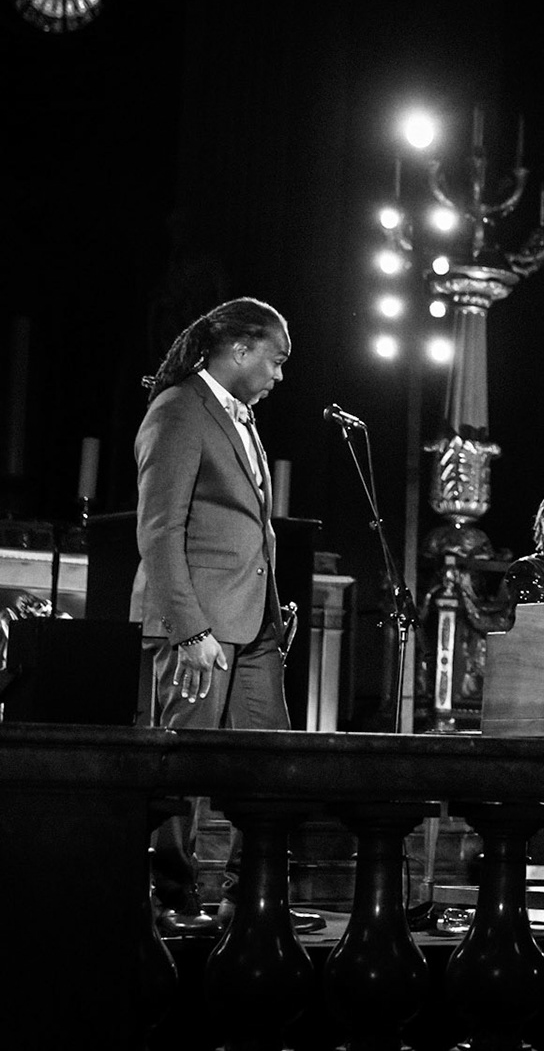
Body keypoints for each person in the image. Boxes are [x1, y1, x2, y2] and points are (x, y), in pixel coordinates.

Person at [132, 296, 310, 935]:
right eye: (276, 359)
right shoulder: (180, 410)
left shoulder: (243, 420)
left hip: (254, 625)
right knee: (176, 771)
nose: (279, 376)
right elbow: (159, 529)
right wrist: (191, 629)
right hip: (198, 627)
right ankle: (168, 898)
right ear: (240, 348)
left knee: (271, 763)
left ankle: (250, 896)